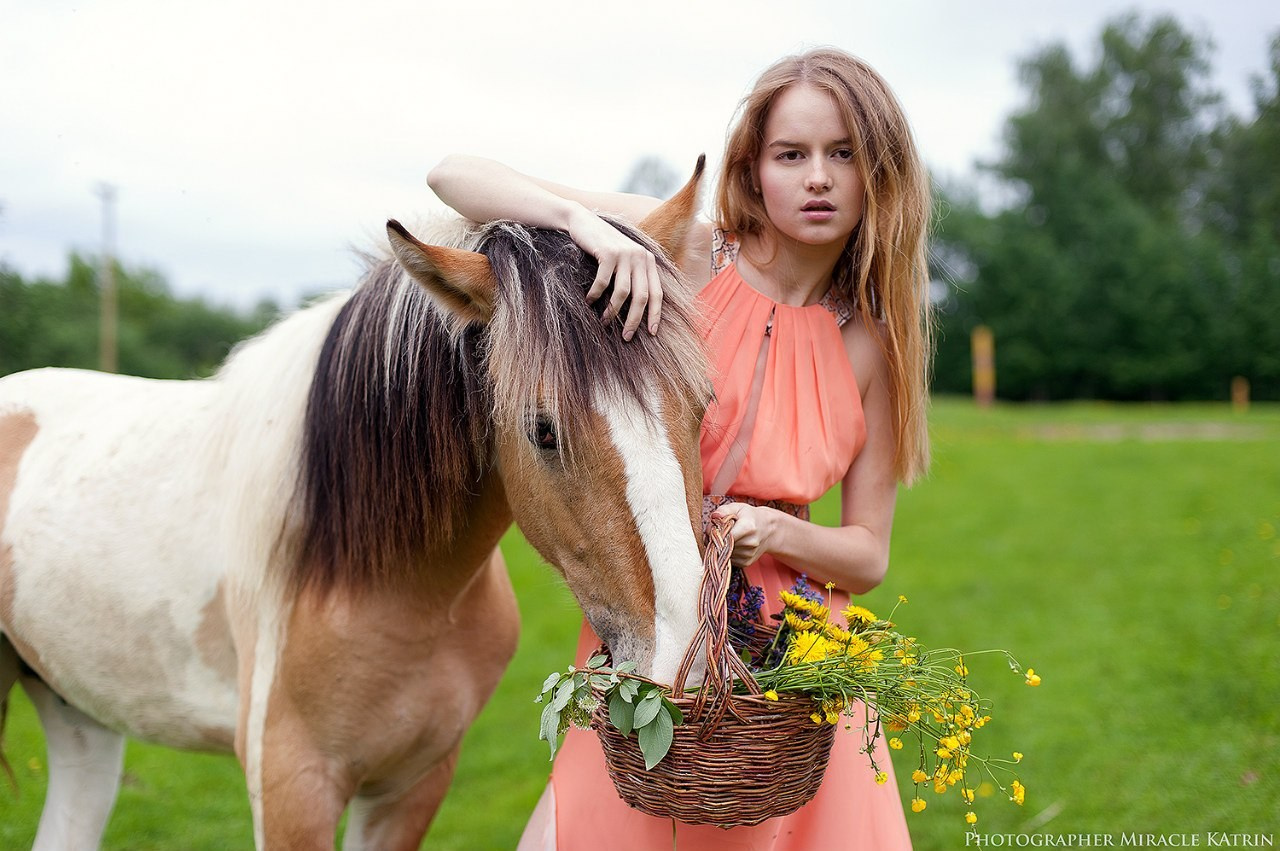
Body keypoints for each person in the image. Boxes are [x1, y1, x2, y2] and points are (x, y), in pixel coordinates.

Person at [429, 46, 932, 851]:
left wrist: (780, 534)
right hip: (660, 607)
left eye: (844, 155)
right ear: (753, 168)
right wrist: (587, 226)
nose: (817, 178)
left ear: (882, 173)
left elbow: (868, 554)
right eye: (791, 154)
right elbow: (453, 175)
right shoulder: (692, 256)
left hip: (792, 662)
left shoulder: (875, 344)